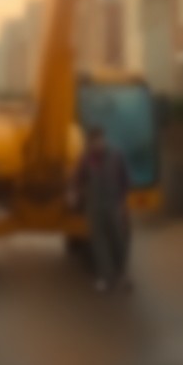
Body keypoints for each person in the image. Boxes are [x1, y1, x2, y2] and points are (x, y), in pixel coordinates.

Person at [72, 125, 133, 294]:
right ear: (89, 143)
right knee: (99, 243)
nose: (97, 144)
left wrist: (122, 204)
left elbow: (125, 181)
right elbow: (78, 179)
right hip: (93, 207)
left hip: (113, 205)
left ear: (104, 140)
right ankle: (106, 278)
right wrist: (75, 193)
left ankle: (122, 275)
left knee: (118, 240)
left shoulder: (116, 156)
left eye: (99, 140)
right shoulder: (86, 159)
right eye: (93, 142)